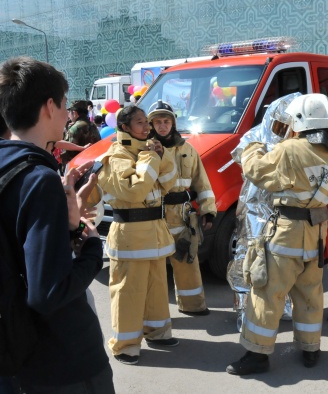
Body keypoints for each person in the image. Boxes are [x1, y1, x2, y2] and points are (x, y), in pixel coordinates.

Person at [0, 56, 115, 392]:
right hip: (60, 362)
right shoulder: (38, 179)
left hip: (13, 357)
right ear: (49, 106)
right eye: (65, 105)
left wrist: (65, 224)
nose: (68, 115)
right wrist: (91, 245)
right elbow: (47, 293)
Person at [227, 93, 328, 375]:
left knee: (268, 292)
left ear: (299, 121)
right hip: (316, 232)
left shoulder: (290, 149)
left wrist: (252, 146)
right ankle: (310, 347)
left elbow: (257, 171)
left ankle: (257, 355)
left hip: (287, 233)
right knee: (309, 293)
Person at [94, 105, 178, 365]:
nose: (147, 127)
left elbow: (169, 181)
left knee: (156, 287)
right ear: (124, 127)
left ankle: (157, 332)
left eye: (146, 122)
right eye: (140, 122)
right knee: (128, 292)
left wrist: (160, 156)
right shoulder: (116, 156)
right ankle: (126, 345)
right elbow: (134, 191)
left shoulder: (149, 149)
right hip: (130, 235)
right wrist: (153, 158)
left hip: (154, 233)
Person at [147, 100, 217, 315]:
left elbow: (201, 182)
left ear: (173, 123)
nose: (162, 126)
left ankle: (193, 305)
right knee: (154, 267)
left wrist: (208, 211)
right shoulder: (145, 149)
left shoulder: (188, 150)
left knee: (188, 259)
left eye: (166, 121)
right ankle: (154, 313)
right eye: (157, 122)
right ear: (151, 125)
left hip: (182, 216)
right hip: (155, 216)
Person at [61, 99, 101, 168]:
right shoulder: (92, 125)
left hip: (77, 169)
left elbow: (68, 153)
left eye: (69, 112)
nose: (69, 115)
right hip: (93, 166)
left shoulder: (75, 128)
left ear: (75, 113)